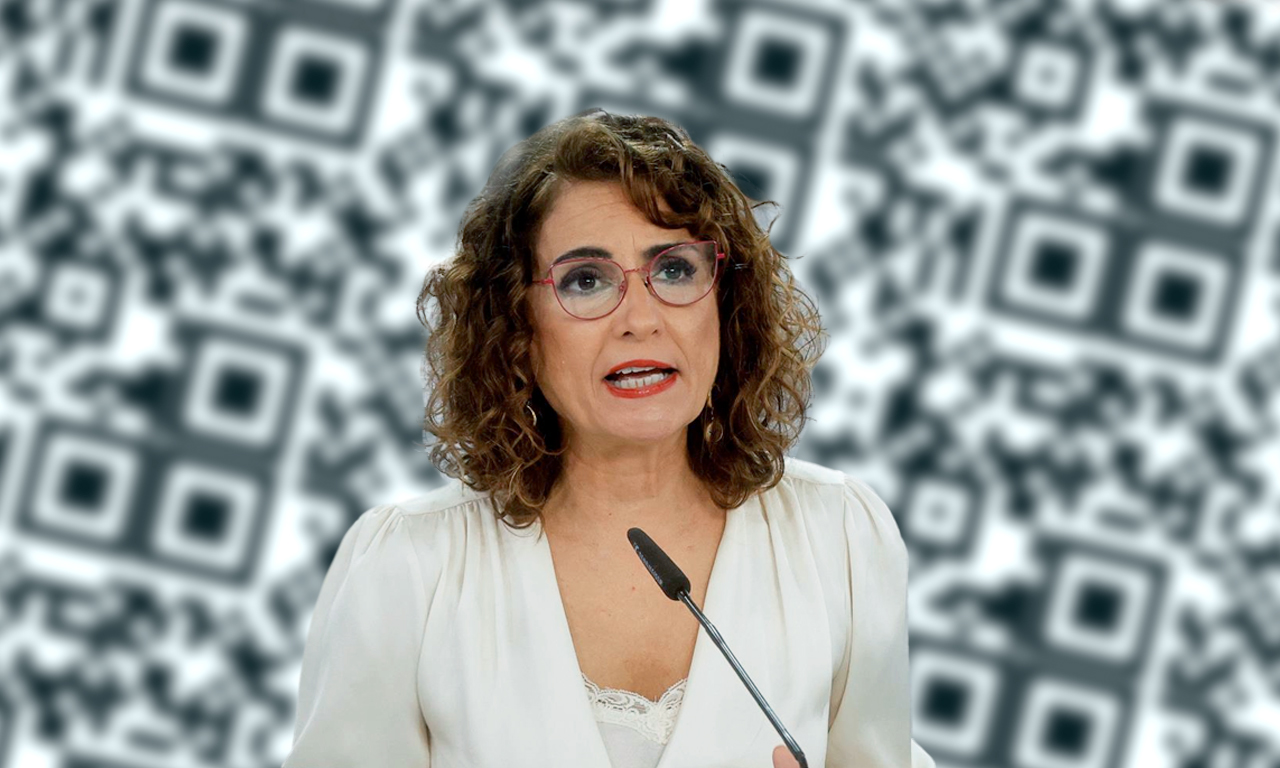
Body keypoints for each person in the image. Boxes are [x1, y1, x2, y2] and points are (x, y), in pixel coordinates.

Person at [282, 109, 935, 768]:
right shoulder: (407, 569)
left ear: (727, 305)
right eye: (586, 281)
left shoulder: (839, 538)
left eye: (675, 269)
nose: (641, 320)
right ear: (516, 331)